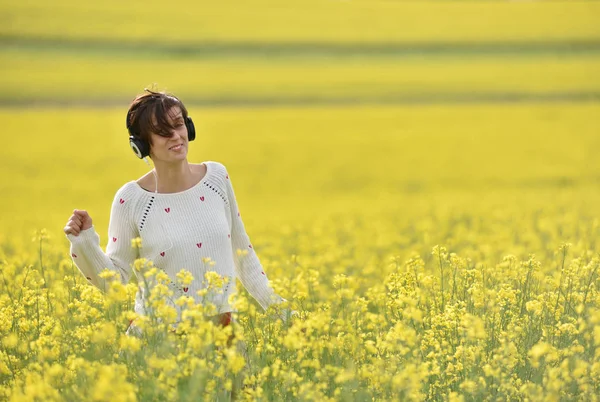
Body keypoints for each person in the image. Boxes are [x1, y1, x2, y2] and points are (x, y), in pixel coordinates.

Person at [63, 88, 293, 338]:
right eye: (162, 132)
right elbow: (115, 281)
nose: (175, 136)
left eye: (178, 125)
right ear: (141, 145)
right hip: (158, 344)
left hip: (223, 339)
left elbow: (243, 256)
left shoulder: (216, 178)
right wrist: (85, 243)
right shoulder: (131, 200)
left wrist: (284, 314)